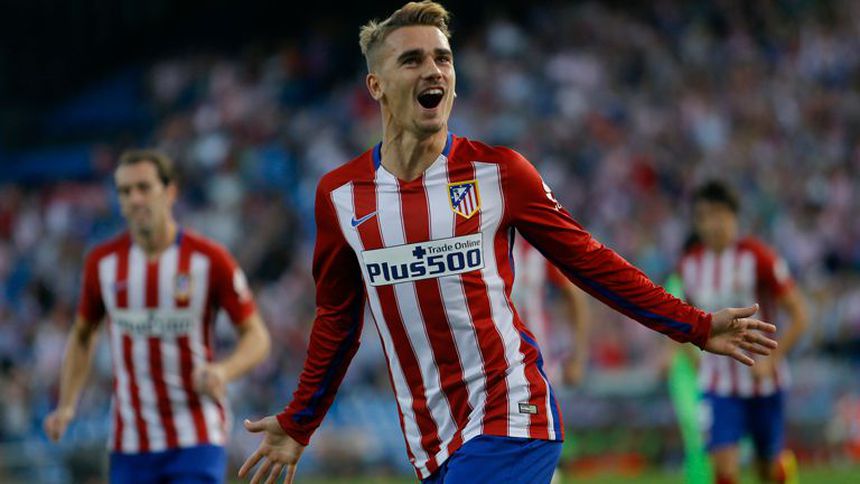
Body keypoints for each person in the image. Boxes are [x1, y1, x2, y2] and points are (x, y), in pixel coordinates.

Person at [238, 3, 778, 483]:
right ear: (376, 85)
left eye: (443, 58)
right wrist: (301, 421)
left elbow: (591, 262)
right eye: (412, 60)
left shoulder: (499, 174)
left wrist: (694, 325)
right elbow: (337, 322)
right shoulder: (341, 197)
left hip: (513, 411)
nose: (433, 70)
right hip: (431, 439)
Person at [43, 149, 272, 483]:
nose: (135, 198)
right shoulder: (102, 264)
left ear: (170, 192)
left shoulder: (209, 259)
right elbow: (82, 335)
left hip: (196, 433)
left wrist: (223, 370)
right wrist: (66, 405)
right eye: (125, 191)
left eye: (144, 187)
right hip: (130, 442)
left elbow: (257, 336)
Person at [678, 181, 809, 484]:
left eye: (718, 215)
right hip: (718, 386)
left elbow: (800, 314)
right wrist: (695, 357)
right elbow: (686, 322)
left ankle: (780, 467)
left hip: (764, 383)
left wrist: (772, 360)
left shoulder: (759, 257)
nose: (711, 224)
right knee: (724, 468)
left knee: (767, 468)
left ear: (733, 217)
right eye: (703, 217)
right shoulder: (690, 266)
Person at [510, 236, 590, 386]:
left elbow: (575, 298)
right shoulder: (493, 246)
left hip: (542, 359)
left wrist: (577, 357)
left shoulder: (539, 249)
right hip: (506, 358)